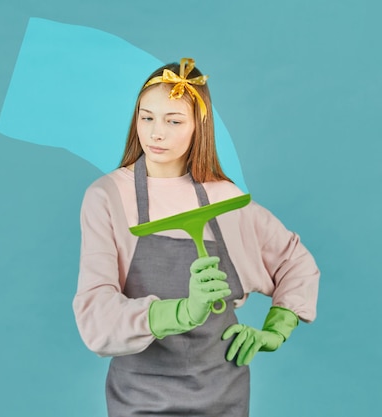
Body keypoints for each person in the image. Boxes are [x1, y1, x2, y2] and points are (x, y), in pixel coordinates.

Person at [73, 58, 320, 416]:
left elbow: (294, 262)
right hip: (141, 394)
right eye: (147, 117)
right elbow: (95, 315)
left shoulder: (225, 198)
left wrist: (276, 329)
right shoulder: (107, 196)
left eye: (173, 121)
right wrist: (183, 311)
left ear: (198, 127)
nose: (156, 133)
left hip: (223, 391)